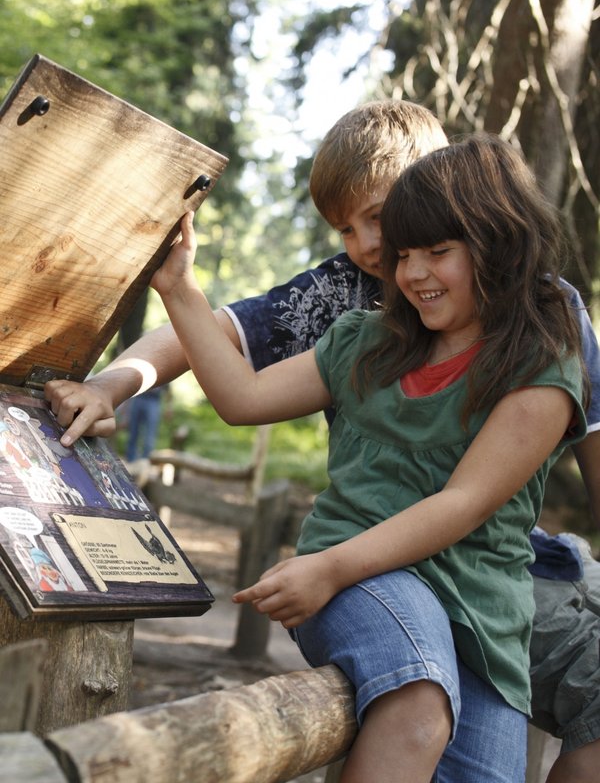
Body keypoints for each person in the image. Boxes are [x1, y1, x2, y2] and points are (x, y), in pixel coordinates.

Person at [44, 100, 600, 781]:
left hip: (488, 589)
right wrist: (165, 308)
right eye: (394, 248)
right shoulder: (362, 327)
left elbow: (467, 503)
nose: (402, 265)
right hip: (371, 564)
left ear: (492, 239)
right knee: (417, 702)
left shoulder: (545, 340)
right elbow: (239, 384)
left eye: (433, 249)